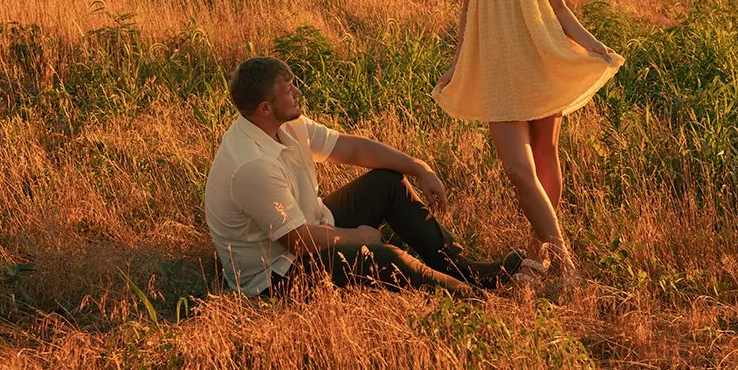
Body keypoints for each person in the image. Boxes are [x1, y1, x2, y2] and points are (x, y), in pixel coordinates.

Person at [432, 0, 624, 279]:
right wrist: (455, 64)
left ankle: (544, 252)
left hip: (539, 55)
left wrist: (595, 47)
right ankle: (566, 261)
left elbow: (558, 7)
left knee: (544, 154)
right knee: (519, 171)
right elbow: (467, 8)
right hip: (494, 66)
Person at [204, 56, 523, 299]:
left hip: (309, 225)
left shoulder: (282, 123)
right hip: (277, 275)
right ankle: (471, 299)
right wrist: (358, 236)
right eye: (288, 91)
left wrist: (419, 167)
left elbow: (351, 148)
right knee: (385, 257)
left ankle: (462, 269)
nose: (298, 93)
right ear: (264, 108)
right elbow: (298, 242)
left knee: (388, 183)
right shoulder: (252, 165)